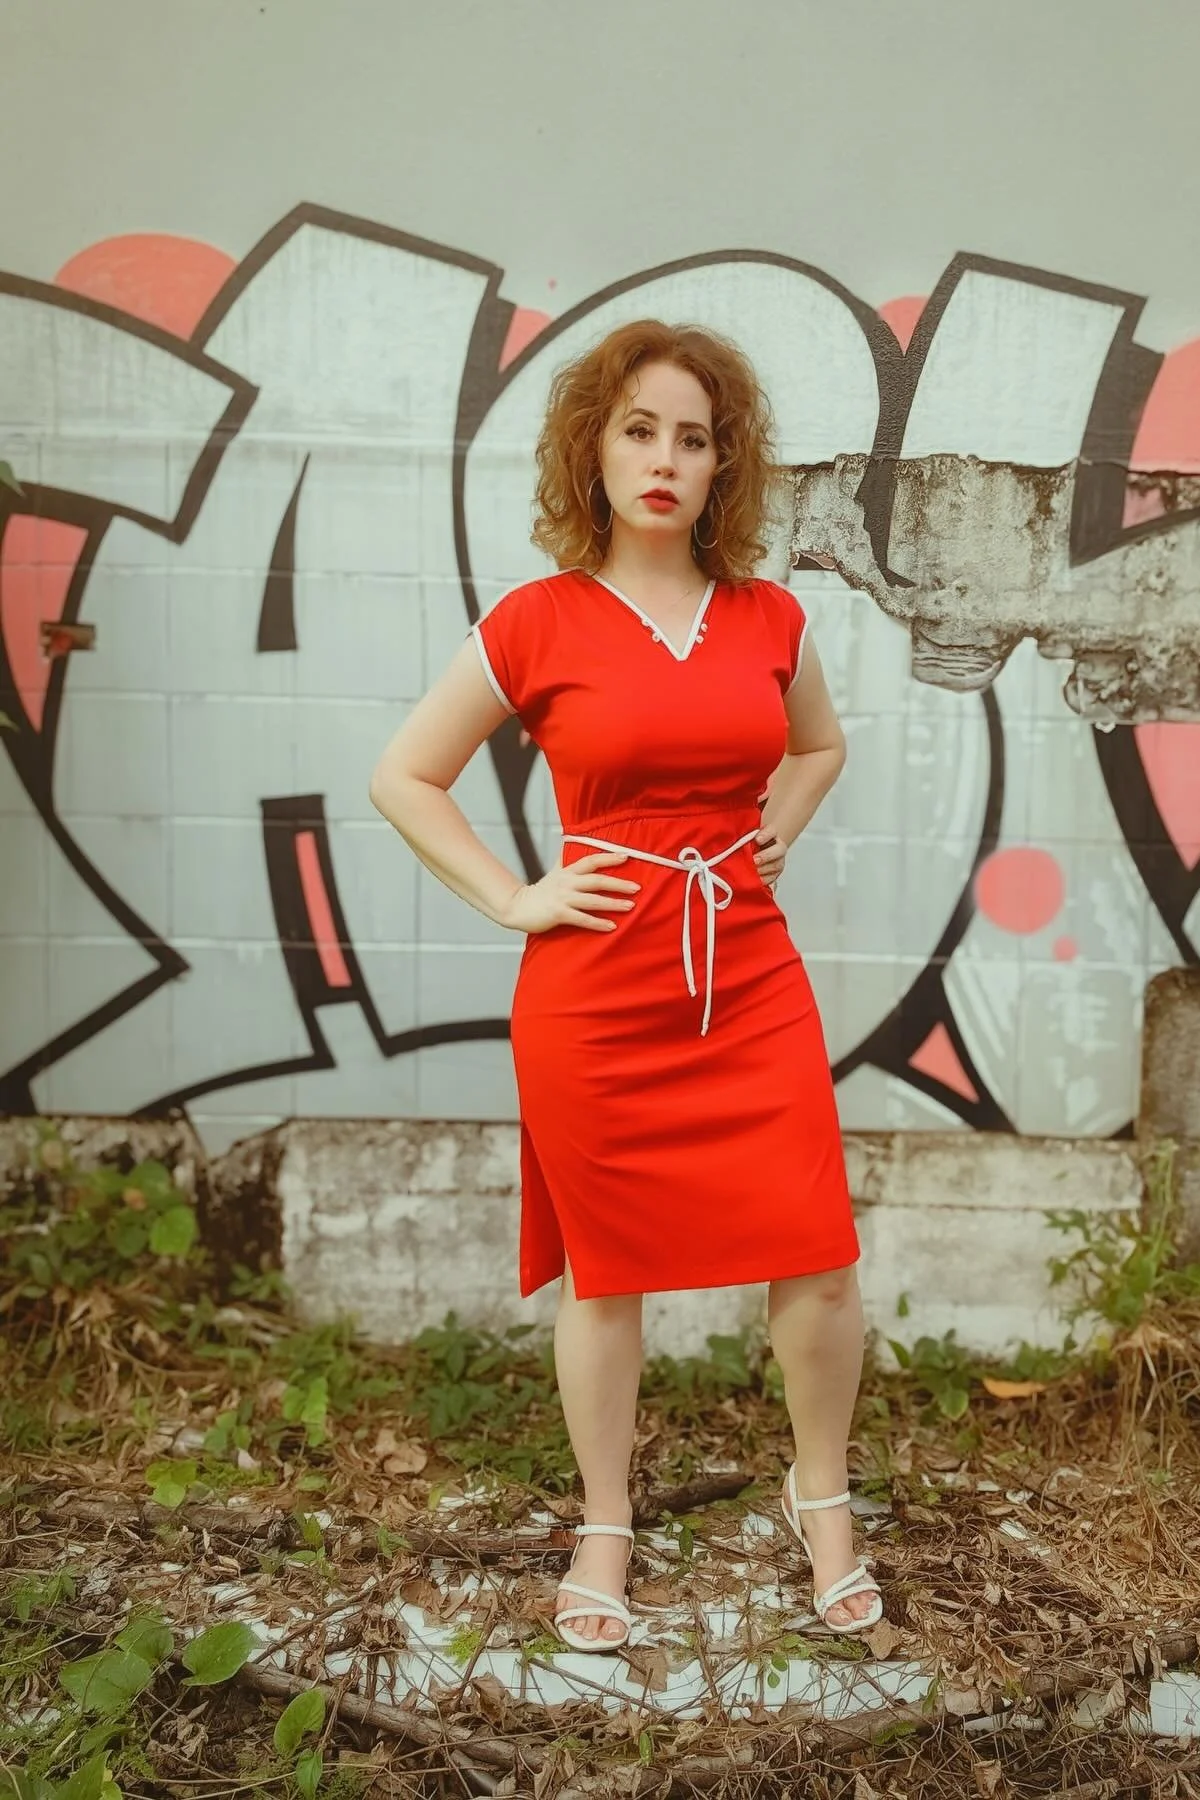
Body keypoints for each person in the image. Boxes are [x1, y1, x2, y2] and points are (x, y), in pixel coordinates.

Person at [370, 319, 882, 1652]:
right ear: (593, 451)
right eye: (639, 429)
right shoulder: (537, 621)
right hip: (595, 992)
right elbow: (402, 777)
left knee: (820, 1265)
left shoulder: (772, 618)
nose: (666, 458)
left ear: (726, 469)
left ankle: (822, 1502)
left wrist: (775, 823)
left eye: (694, 438)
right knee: (608, 1279)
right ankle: (607, 1522)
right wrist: (515, 895)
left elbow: (819, 747)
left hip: (747, 975)